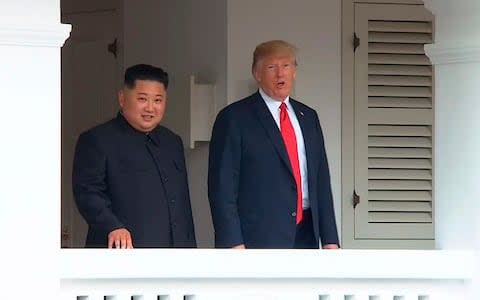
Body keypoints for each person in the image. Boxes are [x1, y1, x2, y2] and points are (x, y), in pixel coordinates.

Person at [208, 40, 339, 249]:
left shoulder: (308, 117)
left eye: (286, 66)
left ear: (294, 71)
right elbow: (222, 187)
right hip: (257, 237)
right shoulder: (234, 118)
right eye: (272, 67)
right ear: (257, 74)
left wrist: (331, 239)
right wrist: (232, 242)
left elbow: (321, 179)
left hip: (306, 234)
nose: (280, 74)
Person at [72, 64, 196, 248]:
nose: (150, 108)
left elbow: (182, 204)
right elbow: (88, 193)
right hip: (122, 255)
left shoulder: (172, 142)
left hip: (173, 257)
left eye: (158, 100)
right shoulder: (98, 140)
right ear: (122, 98)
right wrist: (113, 226)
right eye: (142, 99)